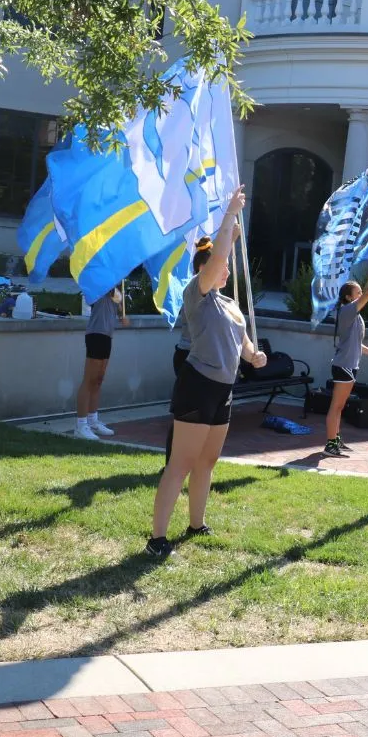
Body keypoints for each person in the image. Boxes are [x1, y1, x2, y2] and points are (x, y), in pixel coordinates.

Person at [147, 187, 266, 558]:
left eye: (226, 265)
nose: (226, 268)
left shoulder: (231, 305)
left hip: (223, 389)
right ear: (204, 269)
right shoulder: (196, 295)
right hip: (197, 385)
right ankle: (157, 539)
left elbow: (244, 348)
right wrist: (230, 217)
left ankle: (196, 524)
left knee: (207, 461)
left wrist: (255, 357)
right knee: (180, 463)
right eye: (218, 264)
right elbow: (217, 261)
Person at [324, 258, 368, 458]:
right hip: (343, 365)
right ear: (349, 298)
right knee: (337, 405)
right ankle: (331, 444)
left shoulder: (354, 315)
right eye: (356, 293)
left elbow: (354, 343)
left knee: (340, 405)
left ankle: (336, 439)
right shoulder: (348, 310)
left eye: (359, 292)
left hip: (350, 364)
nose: (360, 296)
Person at [74, 286, 129, 440]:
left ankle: (93, 421)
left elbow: (121, 311)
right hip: (96, 334)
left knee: (98, 380)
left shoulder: (117, 289)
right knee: (89, 379)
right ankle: (80, 424)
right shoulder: (102, 284)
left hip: (107, 336)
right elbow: (100, 294)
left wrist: (123, 314)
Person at [164, 307, 193, 466]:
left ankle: (184, 463)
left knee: (195, 415)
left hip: (200, 357)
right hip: (188, 357)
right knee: (183, 415)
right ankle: (171, 464)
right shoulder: (193, 292)